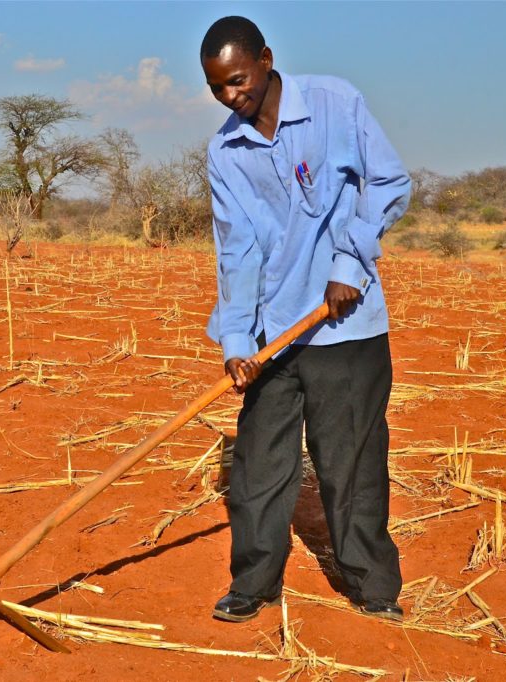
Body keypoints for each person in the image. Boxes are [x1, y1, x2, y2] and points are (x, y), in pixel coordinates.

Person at [200, 16, 410, 623]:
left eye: (238, 80)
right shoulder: (225, 152)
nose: (231, 97)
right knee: (259, 466)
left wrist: (350, 259)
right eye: (217, 88)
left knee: (351, 463)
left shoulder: (334, 103)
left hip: (346, 327)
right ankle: (254, 583)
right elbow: (235, 249)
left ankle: (373, 587)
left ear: (266, 60)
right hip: (274, 336)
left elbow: (390, 182)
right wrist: (238, 339)